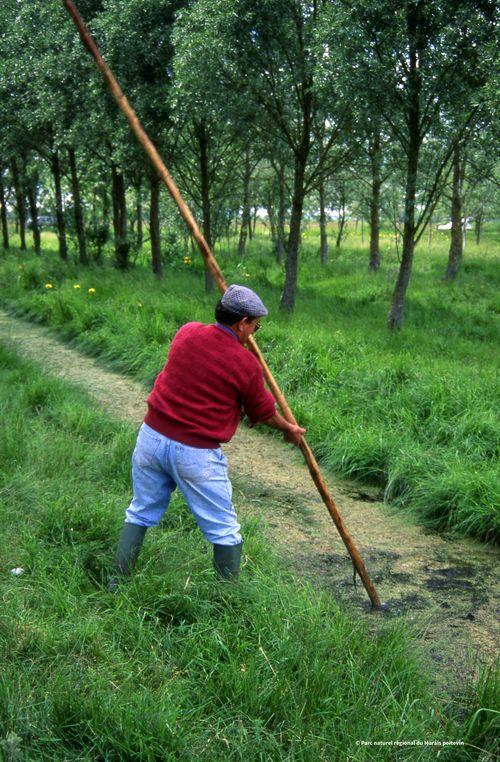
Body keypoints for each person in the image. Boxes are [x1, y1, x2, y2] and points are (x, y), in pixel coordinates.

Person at [108, 284, 306, 590]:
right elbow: (263, 413)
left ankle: (116, 584)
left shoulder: (187, 332)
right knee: (224, 529)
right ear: (241, 322)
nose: (255, 332)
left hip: (151, 438)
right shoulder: (245, 364)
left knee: (140, 511)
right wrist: (289, 430)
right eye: (255, 326)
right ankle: (229, 601)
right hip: (195, 454)